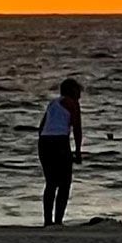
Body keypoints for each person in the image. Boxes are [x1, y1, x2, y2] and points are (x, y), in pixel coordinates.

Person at [38, 77, 83, 226]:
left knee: (51, 183)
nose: (80, 94)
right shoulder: (72, 104)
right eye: (78, 90)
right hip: (59, 142)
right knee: (65, 183)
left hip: (45, 142)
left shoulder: (53, 103)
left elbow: (42, 126)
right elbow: (77, 128)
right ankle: (58, 221)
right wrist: (77, 151)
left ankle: (47, 221)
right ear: (71, 91)